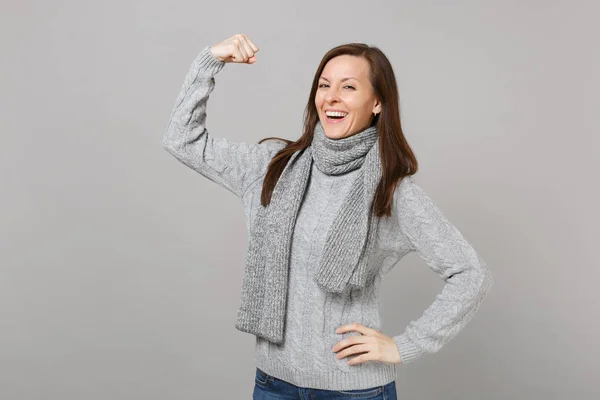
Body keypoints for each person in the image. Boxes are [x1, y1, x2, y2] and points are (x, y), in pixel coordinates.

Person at [162, 33, 493, 399]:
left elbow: (469, 273)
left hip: (353, 391)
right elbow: (182, 139)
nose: (331, 97)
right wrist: (210, 61)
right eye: (324, 85)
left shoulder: (391, 192)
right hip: (273, 384)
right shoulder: (272, 167)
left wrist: (405, 345)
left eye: (348, 87)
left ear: (378, 102)